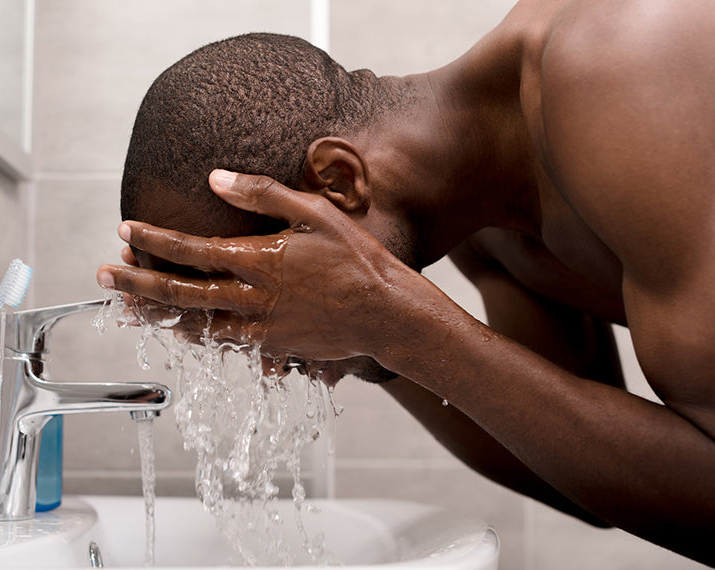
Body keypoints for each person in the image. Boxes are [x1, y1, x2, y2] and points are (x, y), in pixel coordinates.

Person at [96, 0, 715, 564]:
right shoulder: (486, 229)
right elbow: (593, 483)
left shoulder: (620, 62)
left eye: (268, 283)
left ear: (338, 179)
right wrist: (370, 347)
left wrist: (392, 322)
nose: (278, 343)